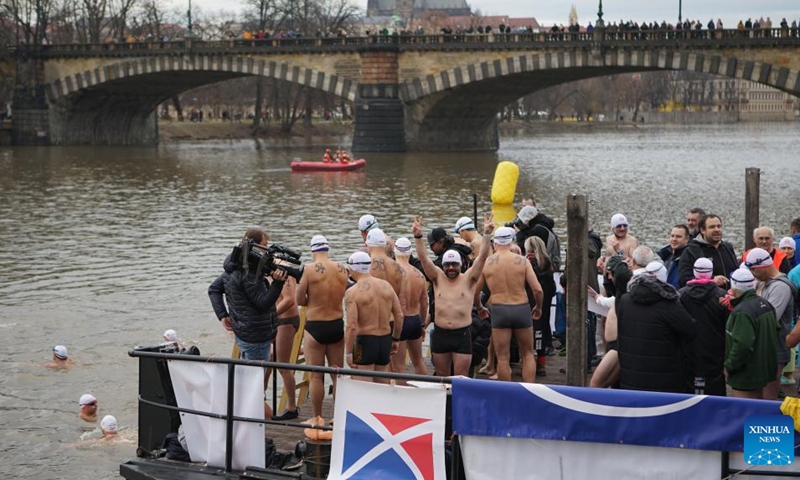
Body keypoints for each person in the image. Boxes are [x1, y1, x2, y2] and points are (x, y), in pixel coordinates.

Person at [412, 214, 493, 377]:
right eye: (447, 265)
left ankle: (459, 403)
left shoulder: (469, 279)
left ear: (460, 265)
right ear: (442, 265)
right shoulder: (437, 278)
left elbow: (483, 257)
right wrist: (418, 236)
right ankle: (445, 403)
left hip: (462, 334)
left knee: (461, 378)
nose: (450, 268)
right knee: (442, 377)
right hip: (441, 333)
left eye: (454, 265)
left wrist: (486, 234)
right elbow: (423, 257)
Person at [616, 264, 696, 393]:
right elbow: (690, 330)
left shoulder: (625, 300)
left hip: (631, 375)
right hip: (664, 377)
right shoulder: (669, 304)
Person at [479, 226, 543, 382]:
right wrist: (538, 307)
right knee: (528, 354)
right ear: (511, 241)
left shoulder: (487, 262)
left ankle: (506, 394)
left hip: (499, 309)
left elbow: (476, 291)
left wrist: (479, 307)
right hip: (521, 307)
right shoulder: (522, 261)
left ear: (495, 242)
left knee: (502, 358)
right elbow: (538, 290)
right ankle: (530, 391)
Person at [296, 234, 349, 421]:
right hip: (336, 324)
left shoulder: (308, 270)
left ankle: (317, 418)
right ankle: (339, 417)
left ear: (312, 251)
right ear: (327, 249)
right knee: (337, 376)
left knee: (316, 377)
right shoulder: (342, 269)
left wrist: (311, 301)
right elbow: (345, 294)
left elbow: (299, 299)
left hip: (315, 326)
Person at [344, 251, 404, 382]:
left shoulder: (351, 292)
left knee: (361, 388)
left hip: (361, 343)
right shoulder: (386, 286)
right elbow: (399, 316)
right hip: (385, 341)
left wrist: (349, 353)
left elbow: (352, 326)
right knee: (381, 388)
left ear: (352, 269)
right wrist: (395, 340)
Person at [746, 248, 796, 400]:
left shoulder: (780, 287)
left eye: (753, 269)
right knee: (757, 397)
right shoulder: (763, 283)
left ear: (764, 266)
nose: (752, 273)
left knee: (768, 399)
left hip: (774, 350)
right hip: (762, 348)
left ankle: (769, 424)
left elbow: (769, 319)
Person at [724, 268, 779, 399]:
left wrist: (729, 366)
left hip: (746, 374)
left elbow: (743, 344)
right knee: (758, 410)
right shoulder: (765, 303)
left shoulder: (742, 311)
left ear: (734, 286)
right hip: (763, 369)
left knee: (743, 413)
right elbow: (776, 330)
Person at [678, 258, 728, 396]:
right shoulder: (722, 296)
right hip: (715, 351)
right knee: (714, 393)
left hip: (688, 351)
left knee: (690, 390)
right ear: (711, 273)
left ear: (694, 272)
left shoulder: (681, 295)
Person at [391, 237, 429, 377]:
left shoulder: (393, 272)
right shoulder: (419, 274)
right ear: (410, 252)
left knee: (398, 367)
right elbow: (424, 303)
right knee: (418, 361)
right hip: (414, 320)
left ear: (395, 251)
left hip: (399, 322)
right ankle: (425, 394)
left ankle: (403, 398)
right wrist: (422, 324)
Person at [272, 261, 301, 421]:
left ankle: (291, 406)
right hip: (278, 319)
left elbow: (289, 299)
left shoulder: (283, 270)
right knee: (270, 359)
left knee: (283, 365)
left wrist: (270, 315)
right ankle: (260, 400)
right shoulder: (271, 269)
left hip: (286, 320)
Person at [678, 214, 737, 288]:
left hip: (730, 297)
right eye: (712, 227)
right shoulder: (691, 251)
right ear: (702, 230)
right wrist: (711, 279)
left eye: (719, 226)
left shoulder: (727, 247)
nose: (717, 230)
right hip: (706, 297)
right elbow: (684, 280)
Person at [523, 236, 555, 377]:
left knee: (527, 334)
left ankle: (527, 364)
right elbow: (552, 287)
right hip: (545, 302)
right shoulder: (548, 263)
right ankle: (541, 364)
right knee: (541, 331)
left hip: (530, 301)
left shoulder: (527, 263)